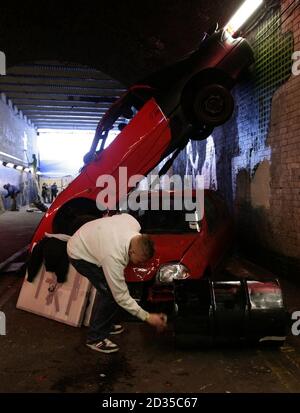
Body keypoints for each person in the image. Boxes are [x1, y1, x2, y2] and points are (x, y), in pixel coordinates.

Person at [67, 213, 167, 354]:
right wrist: (147, 317)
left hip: (90, 236)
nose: (140, 264)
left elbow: (122, 216)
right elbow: (121, 296)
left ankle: (105, 323)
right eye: (139, 261)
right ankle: (95, 338)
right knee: (110, 294)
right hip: (78, 252)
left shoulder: (133, 223)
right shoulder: (114, 257)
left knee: (112, 290)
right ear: (131, 251)